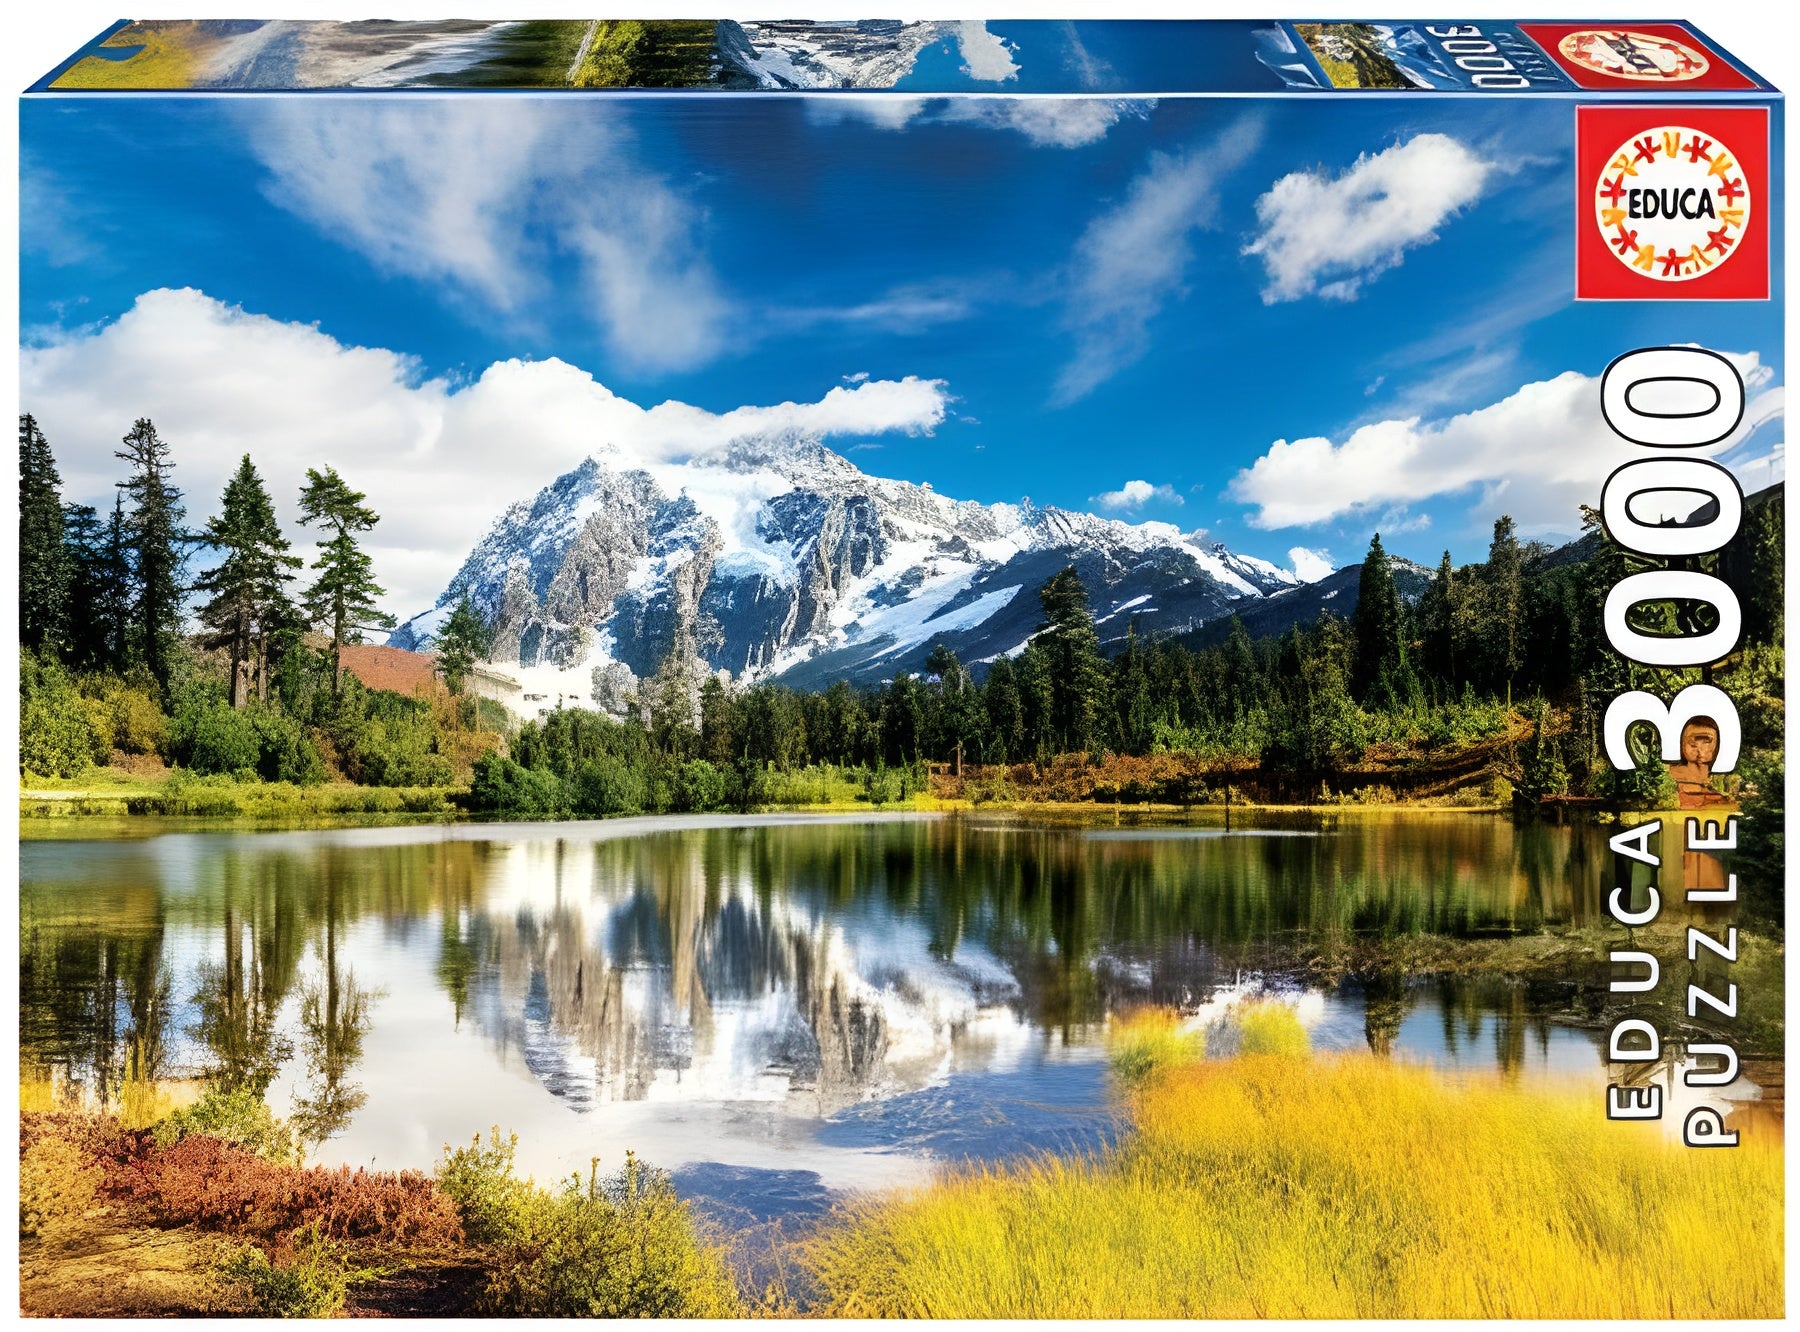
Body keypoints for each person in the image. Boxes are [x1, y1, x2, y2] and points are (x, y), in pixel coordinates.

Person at [1667, 716, 1730, 810]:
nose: (1697, 746)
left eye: (1706, 741)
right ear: (1682, 743)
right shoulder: (1668, 777)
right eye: (1692, 741)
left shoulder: (1726, 782)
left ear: (1717, 745)